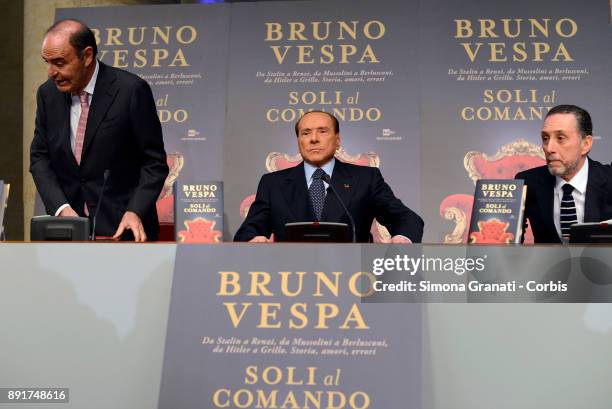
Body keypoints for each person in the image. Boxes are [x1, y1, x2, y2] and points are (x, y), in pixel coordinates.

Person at [30, 19, 168, 241]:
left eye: (59, 62)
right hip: (67, 231)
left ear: (86, 56)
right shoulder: (47, 94)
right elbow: (39, 157)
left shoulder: (130, 90)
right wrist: (61, 208)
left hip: (123, 230)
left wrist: (135, 210)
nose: (51, 72)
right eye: (47, 62)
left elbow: (154, 162)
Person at [234, 111, 424, 243]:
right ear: (299, 141)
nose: (313, 138)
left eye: (322, 131)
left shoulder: (366, 178)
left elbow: (406, 219)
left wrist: (402, 239)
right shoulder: (273, 183)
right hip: (289, 281)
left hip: (354, 280)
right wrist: (253, 239)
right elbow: (248, 230)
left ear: (337, 139)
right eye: (305, 133)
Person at [515, 104, 612, 243]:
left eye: (560, 138)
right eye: (545, 138)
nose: (549, 148)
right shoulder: (528, 182)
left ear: (586, 144)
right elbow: (508, 243)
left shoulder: (609, 179)